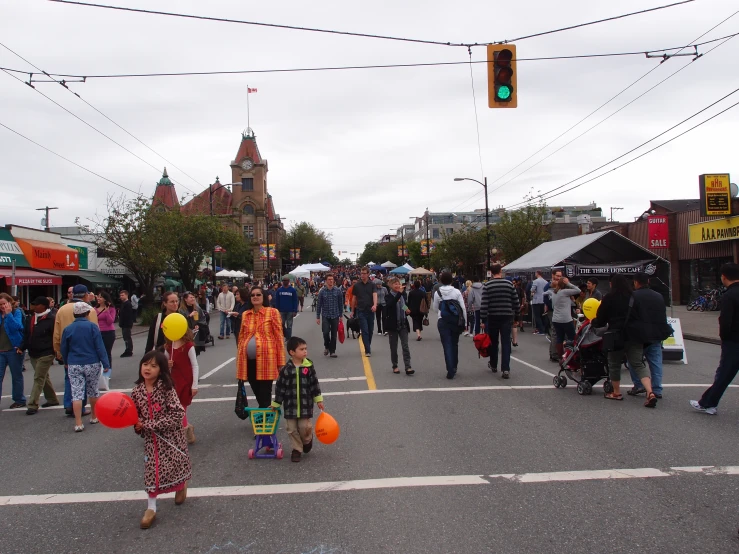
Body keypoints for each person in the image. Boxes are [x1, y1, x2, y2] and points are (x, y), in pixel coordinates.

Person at [132, 350, 192, 529]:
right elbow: (135, 416)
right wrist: (137, 426)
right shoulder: (137, 391)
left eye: (153, 366)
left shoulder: (166, 389)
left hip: (171, 437)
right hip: (151, 441)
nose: (148, 368)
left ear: (161, 370)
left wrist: (150, 424)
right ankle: (151, 508)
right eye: (145, 364)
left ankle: (181, 484)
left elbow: (178, 413)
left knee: (174, 465)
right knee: (152, 470)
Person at [592, 274, 657, 407]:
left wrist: (595, 323)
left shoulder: (609, 298)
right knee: (638, 364)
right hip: (635, 335)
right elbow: (642, 316)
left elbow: (601, 318)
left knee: (614, 363)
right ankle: (650, 392)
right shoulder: (635, 297)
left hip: (616, 335)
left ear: (612, 284)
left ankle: (616, 392)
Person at [691, 263, 739, 415]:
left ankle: (708, 403)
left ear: (724, 277)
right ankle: (707, 402)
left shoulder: (729, 296)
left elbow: (726, 321)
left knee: (725, 373)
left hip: (734, 340)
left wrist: (724, 337)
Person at [271, 336, 324, 463]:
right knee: (291, 429)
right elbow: (280, 387)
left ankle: (307, 440)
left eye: (306, 349)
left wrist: (318, 399)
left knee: (304, 427)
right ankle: (296, 449)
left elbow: (314, 384)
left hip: (305, 405)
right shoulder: (286, 370)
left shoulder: (309, 367)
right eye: (302, 349)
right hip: (290, 405)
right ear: (292, 352)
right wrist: (276, 403)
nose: (305, 351)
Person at [60, 302, 110, 431]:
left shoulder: (68, 329)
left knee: (76, 393)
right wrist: (105, 363)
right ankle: (94, 416)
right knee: (93, 390)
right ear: (87, 313)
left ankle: (78, 423)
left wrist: (66, 361)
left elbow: (64, 348)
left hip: (74, 363)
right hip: (92, 362)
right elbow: (100, 346)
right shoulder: (92, 327)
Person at [625, 273, 673, 399]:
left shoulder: (633, 296)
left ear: (636, 282)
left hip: (638, 335)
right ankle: (657, 389)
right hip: (656, 334)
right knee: (656, 363)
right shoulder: (658, 296)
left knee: (634, 362)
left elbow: (629, 315)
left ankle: (639, 385)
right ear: (648, 282)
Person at [236, 286, 285, 408]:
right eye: (252, 295)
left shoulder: (272, 312)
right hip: (249, 360)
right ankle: (264, 411)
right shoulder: (246, 314)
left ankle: (265, 419)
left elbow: (279, 337)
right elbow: (241, 337)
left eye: (258, 294)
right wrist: (240, 358)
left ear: (263, 297)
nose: (255, 297)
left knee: (264, 391)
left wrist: (281, 361)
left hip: (267, 359)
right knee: (256, 389)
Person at [53, 285, 98, 417]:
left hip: (67, 349)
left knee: (70, 378)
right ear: (85, 295)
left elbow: (56, 333)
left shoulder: (61, 310)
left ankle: (69, 404)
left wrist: (58, 351)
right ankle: (80, 407)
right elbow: (95, 332)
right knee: (83, 380)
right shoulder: (89, 310)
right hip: (86, 351)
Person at [21, 296, 59, 415]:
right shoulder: (31, 319)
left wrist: (57, 351)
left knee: (38, 377)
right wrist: (22, 347)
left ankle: (32, 404)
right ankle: (52, 399)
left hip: (46, 352)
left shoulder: (51, 319)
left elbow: (55, 336)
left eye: (36, 304)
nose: (34, 306)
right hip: (33, 352)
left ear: (44, 306)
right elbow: (27, 335)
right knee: (43, 377)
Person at [480, 264, 519, 379]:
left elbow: (484, 304)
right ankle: (505, 368)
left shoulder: (488, 285)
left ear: (491, 272)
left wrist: (483, 319)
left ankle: (493, 364)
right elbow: (516, 301)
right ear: (500, 271)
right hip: (506, 315)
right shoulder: (509, 284)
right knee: (506, 342)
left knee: (493, 341)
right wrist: (516, 316)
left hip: (493, 316)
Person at [164, 327, 199, 444]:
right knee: (174, 408)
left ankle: (181, 435)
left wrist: (194, 385)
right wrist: (167, 364)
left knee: (181, 408)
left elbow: (195, 365)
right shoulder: (168, 347)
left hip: (186, 381)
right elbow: (163, 365)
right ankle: (187, 428)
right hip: (173, 381)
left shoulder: (188, 346)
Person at [433, 271, 467, 379]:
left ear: (441, 280)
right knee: (454, 343)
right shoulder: (456, 292)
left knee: (446, 344)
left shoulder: (437, 293)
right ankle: (454, 366)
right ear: (451, 280)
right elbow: (463, 308)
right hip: (455, 320)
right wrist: (465, 322)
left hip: (443, 320)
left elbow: (434, 308)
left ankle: (450, 369)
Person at [0, 292, 26, 409]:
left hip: (13, 349)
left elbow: (18, 327)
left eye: (4, 303)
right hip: (1, 350)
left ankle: (19, 399)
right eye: (0, 305)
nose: (2, 307)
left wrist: (9, 314)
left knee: (16, 375)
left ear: (9, 302)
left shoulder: (17, 312)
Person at [545, 275, 581, 361]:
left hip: (556, 319)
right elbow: (578, 290)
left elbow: (553, 306)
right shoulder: (565, 292)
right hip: (566, 319)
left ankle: (561, 356)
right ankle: (572, 355)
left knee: (559, 337)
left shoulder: (555, 292)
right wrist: (569, 283)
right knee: (572, 337)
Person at [385, 277, 413, 375]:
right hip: (393, 325)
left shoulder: (402, 296)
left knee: (405, 346)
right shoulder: (389, 296)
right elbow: (391, 305)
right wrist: (400, 293)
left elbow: (402, 305)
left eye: (398, 283)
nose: (397, 285)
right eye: (395, 284)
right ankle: (395, 365)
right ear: (391, 285)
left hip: (403, 323)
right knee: (394, 347)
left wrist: (407, 309)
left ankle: (408, 366)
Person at [316, 274, 343, 358]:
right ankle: (326, 346)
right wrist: (317, 317)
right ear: (326, 281)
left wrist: (341, 315)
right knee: (326, 332)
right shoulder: (322, 291)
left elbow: (340, 304)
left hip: (335, 315)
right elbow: (319, 304)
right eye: (329, 279)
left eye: (332, 279)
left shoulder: (338, 291)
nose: (331, 281)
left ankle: (332, 351)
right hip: (325, 315)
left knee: (334, 335)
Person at [352, 267, 378, 357]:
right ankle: (367, 350)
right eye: (361, 273)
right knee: (365, 330)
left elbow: (375, 295)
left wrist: (375, 305)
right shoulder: (357, 285)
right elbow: (354, 298)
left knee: (370, 330)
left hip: (370, 310)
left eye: (364, 273)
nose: (362, 275)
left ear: (368, 274)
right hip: (361, 310)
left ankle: (368, 345)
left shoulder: (372, 284)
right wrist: (352, 310)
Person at [95, 291, 116, 379]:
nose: (98, 298)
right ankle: (98, 372)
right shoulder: (94, 309)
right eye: (98, 297)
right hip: (98, 332)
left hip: (108, 332)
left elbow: (110, 321)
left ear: (105, 299)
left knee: (107, 352)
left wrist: (107, 312)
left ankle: (107, 373)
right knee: (97, 353)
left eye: (100, 297)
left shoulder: (111, 309)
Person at [530, 270, 548, 335]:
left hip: (536, 300)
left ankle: (541, 330)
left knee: (537, 316)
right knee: (543, 315)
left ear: (537, 274)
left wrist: (532, 293)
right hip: (543, 300)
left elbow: (532, 290)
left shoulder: (535, 281)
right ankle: (545, 329)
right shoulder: (546, 282)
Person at [119, 290, 135, 358]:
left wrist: (126, 323)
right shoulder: (123, 304)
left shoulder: (128, 304)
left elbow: (127, 315)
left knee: (127, 338)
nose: (121, 297)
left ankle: (129, 351)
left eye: (122, 295)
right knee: (126, 337)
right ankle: (128, 349)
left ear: (126, 295)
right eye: (120, 295)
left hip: (126, 324)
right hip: (124, 324)